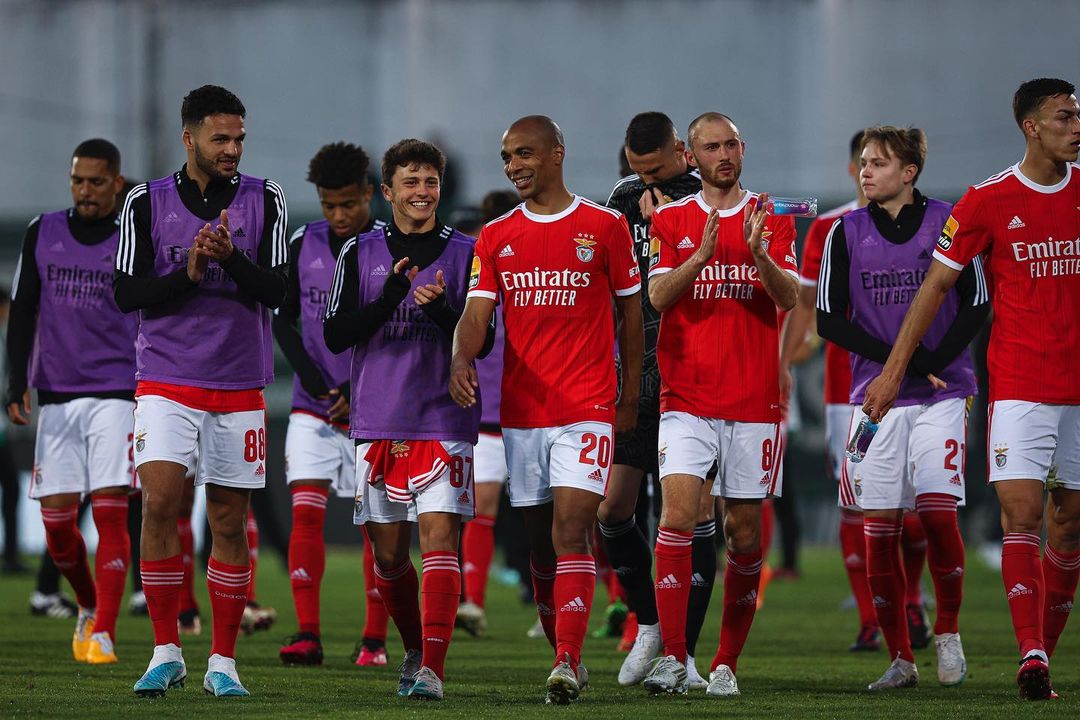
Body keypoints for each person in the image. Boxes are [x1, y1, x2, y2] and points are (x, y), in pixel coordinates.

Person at [862, 78, 1080, 701]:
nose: (1076, 126)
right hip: (1020, 386)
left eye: (1078, 115)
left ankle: (1043, 654)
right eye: (1064, 116)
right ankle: (1031, 654)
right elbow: (934, 287)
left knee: (1069, 528)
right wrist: (893, 371)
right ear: (1031, 127)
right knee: (1023, 514)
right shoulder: (987, 199)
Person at [451, 115, 643, 704]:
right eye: (507, 157)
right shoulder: (496, 236)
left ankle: (567, 659)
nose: (514, 166)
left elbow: (631, 315)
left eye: (525, 153)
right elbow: (478, 313)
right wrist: (460, 356)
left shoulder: (604, 226)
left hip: (587, 404)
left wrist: (629, 395)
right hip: (523, 412)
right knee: (539, 545)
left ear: (558, 152)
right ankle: (564, 648)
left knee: (571, 530)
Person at [115, 85, 288, 698]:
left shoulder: (266, 198)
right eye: (220, 139)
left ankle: (223, 661)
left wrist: (232, 260)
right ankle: (166, 650)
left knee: (228, 521)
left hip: (238, 382)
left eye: (238, 138)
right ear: (188, 137)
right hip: (165, 378)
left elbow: (279, 292)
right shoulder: (144, 201)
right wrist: (188, 273)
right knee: (160, 504)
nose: (232, 149)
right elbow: (127, 293)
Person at [817, 126, 989, 689]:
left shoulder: (948, 221)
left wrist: (927, 362)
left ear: (909, 172)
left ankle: (948, 631)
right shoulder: (844, 232)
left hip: (944, 391)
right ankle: (900, 658)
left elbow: (977, 302)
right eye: (864, 162)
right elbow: (828, 319)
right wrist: (903, 361)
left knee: (937, 515)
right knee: (879, 529)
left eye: (879, 163)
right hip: (875, 399)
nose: (865, 171)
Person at [641, 112, 798, 697]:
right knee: (677, 518)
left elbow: (789, 296)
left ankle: (727, 661)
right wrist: (699, 258)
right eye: (711, 147)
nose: (724, 155)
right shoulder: (672, 218)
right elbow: (657, 295)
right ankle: (674, 658)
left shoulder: (771, 215)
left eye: (731, 144)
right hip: (686, 398)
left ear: (743, 148)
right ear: (692, 157)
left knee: (744, 532)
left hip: (754, 400)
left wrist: (759, 256)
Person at [324, 139, 485, 701]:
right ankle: (415, 647)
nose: (422, 192)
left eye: (430, 182)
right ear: (387, 192)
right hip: (378, 419)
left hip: (445, 415)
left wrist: (441, 311)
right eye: (410, 183)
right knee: (389, 557)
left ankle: (432, 669)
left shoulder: (468, 252)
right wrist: (390, 296)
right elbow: (336, 335)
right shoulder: (357, 252)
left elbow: (485, 340)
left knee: (440, 539)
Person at [6, 138, 137, 665]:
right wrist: (16, 380)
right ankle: (87, 601)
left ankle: (104, 631)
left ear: (116, 184)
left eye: (96, 181)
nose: (85, 191)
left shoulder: (133, 236)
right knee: (58, 528)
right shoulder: (43, 231)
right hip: (57, 394)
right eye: (78, 181)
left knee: (110, 513)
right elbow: (23, 308)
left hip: (117, 390)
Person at [601, 111, 709, 687]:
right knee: (613, 509)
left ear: (680, 150)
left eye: (655, 169)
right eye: (638, 170)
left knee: (688, 516)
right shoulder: (623, 198)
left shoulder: (709, 196)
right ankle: (648, 623)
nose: (646, 180)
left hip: (695, 375)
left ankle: (682, 652)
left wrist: (670, 223)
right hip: (637, 377)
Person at [273, 141, 390, 666]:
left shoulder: (389, 245)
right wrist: (321, 387)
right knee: (305, 513)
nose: (338, 215)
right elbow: (283, 321)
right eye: (328, 205)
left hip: (378, 408)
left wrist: (358, 395)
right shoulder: (303, 243)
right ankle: (307, 634)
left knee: (376, 525)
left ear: (368, 193)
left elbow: (394, 333)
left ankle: (374, 641)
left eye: (347, 204)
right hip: (312, 404)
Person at [456, 189, 520, 637]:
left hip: (537, 412)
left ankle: (605, 607)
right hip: (491, 413)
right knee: (483, 507)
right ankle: (473, 602)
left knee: (568, 518)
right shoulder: (473, 271)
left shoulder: (536, 273)